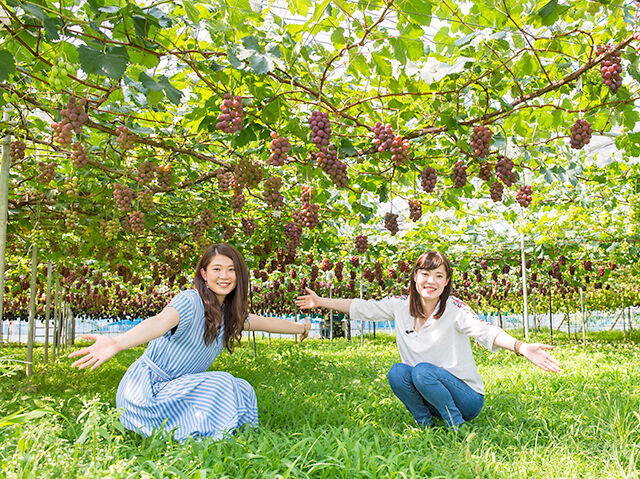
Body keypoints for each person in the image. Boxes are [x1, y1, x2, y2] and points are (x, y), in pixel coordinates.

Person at [69, 243, 310, 442]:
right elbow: (159, 323)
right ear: (204, 275)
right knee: (223, 382)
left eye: (231, 269)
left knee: (243, 387)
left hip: (177, 388)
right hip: (147, 392)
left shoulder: (229, 313)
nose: (224, 276)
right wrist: (117, 342)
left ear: (239, 275)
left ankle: (242, 438)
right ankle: (216, 440)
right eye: (217, 269)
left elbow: (266, 322)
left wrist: (302, 327)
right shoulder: (190, 301)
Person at [295, 250, 561, 430]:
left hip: (466, 398)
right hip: (429, 393)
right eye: (425, 274)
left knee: (422, 371)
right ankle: (425, 422)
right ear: (415, 277)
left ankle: (456, 425)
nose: (430, 281)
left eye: (438, 276)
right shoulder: (400, 306)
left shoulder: (455, 309)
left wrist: (521, 347)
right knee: (398, 372)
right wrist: (320, 301)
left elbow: (484, 330)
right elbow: (361, 307)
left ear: (446, 283)